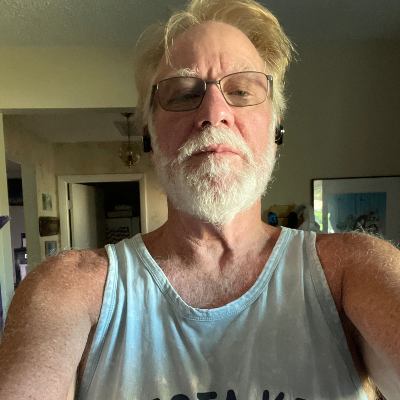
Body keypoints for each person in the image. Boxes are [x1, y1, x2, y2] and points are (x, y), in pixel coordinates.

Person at [0, 0, 399, 399]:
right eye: (182, 94)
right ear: (148, 135)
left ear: (276, 128)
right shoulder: (71, 289)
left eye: (241, 91)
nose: (213, 112)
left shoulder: (350, 271)